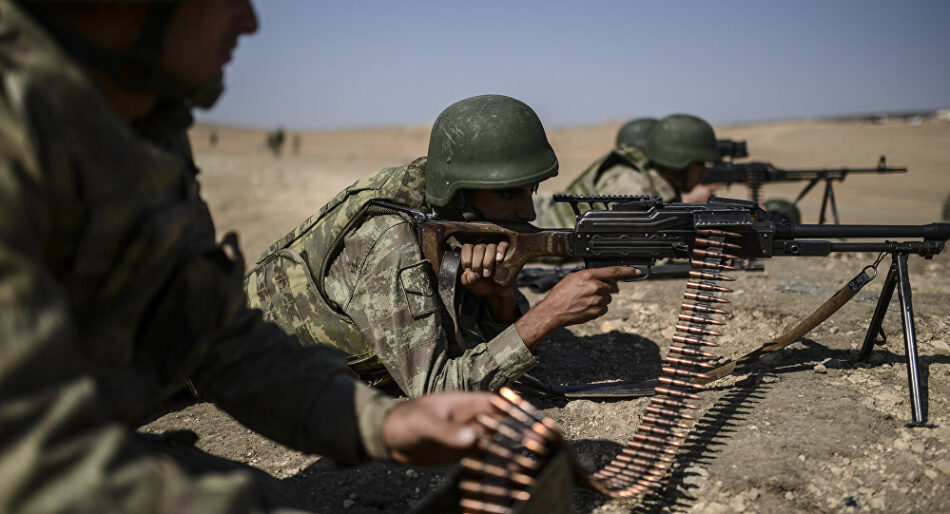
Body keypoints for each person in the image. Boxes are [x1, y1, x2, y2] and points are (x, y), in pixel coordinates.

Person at [0, 1, 503, 512]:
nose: (250, 22)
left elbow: (209, 331)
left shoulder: (138, 116)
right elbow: (24, 465)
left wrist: (381, 423)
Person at [246, 94, 638, 397]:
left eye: (530, 189)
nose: (527, 209)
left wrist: (498, 297)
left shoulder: (446, 218)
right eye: (507, 194)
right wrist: (547, 315)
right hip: (214, 357)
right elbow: (434, 392)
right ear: (460, 194)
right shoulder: (390, 242)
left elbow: (477, 346)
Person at [534, 114, 722, 228]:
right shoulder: (632, 184)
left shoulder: (645, 179)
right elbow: (638, 243)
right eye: (699, 165)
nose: (704, 173)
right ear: (678, 164)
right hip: (536, 223)